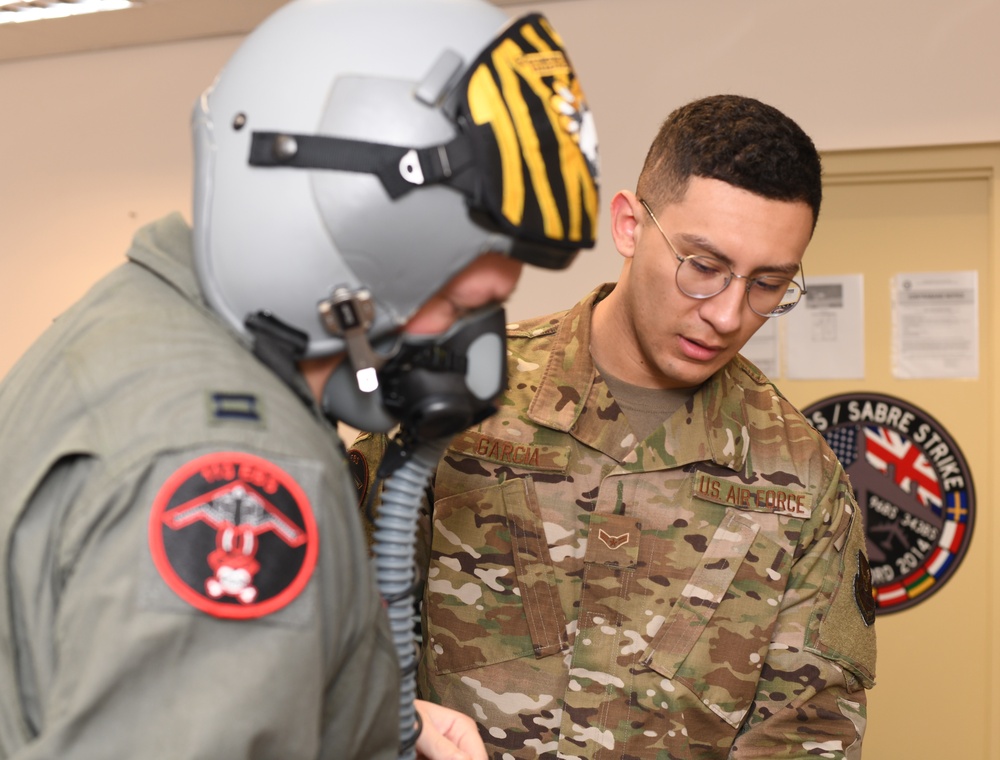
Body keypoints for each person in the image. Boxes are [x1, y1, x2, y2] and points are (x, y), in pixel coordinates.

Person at [0, 0, 599, 758]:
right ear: (332, 252)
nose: (464, 351)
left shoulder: (134, 325)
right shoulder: (231, 461)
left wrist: (360, 719)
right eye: (456, 304)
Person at [350, 94, 876, 759]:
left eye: (769, 283)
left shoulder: (802, 477)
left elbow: (809, 730)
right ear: (629, 224)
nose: (729, 314)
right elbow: (332, 628)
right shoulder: (458, 397)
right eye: (704, 267)